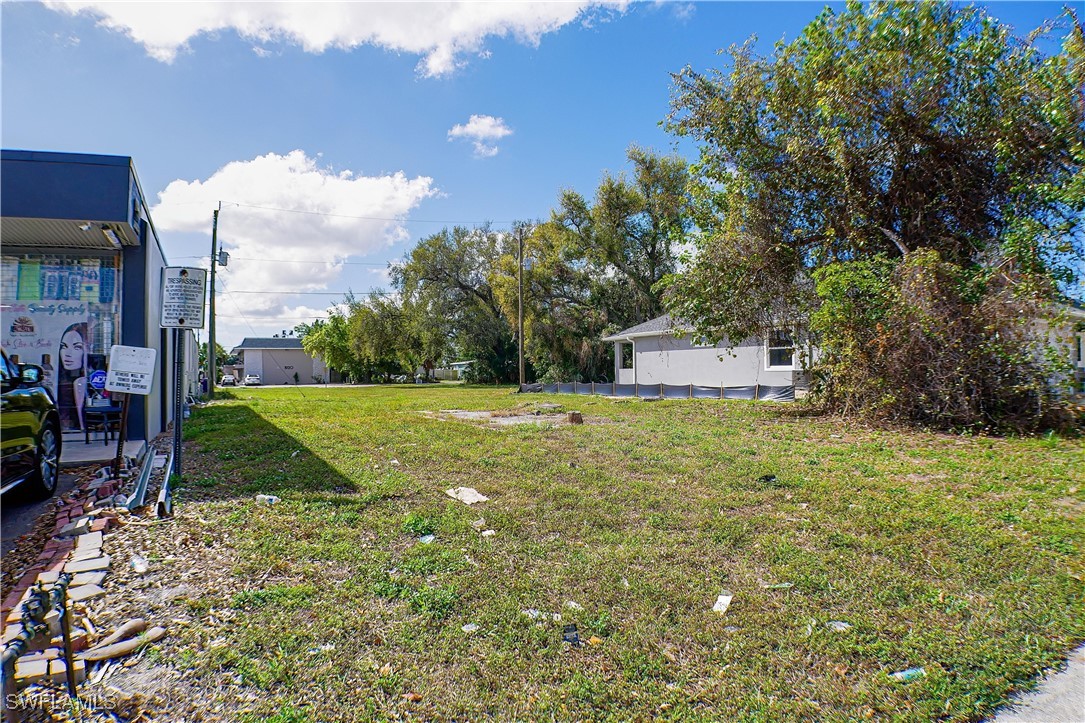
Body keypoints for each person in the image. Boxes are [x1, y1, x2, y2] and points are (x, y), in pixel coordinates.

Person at [57, 321, 88, 430]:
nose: (68, 353)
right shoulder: (60, 384)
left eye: (77, 347)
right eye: (64, 347)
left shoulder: (89, 382)